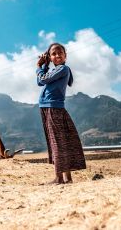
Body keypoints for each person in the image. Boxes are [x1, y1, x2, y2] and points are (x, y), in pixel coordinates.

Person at [36, 42, 86, 184]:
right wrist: (44, 66)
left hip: (53, 108)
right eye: (53, 54)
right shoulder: (54, 70)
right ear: (50, 57)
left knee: (57, 143)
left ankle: (59, 178)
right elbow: (40, 82)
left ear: (65, 56)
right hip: (49, 108)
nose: (57, 55)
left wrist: (39, 67)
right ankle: (67, 178)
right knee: (60, 142)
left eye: (60, 53)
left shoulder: (63, 69)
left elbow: (42, 79)